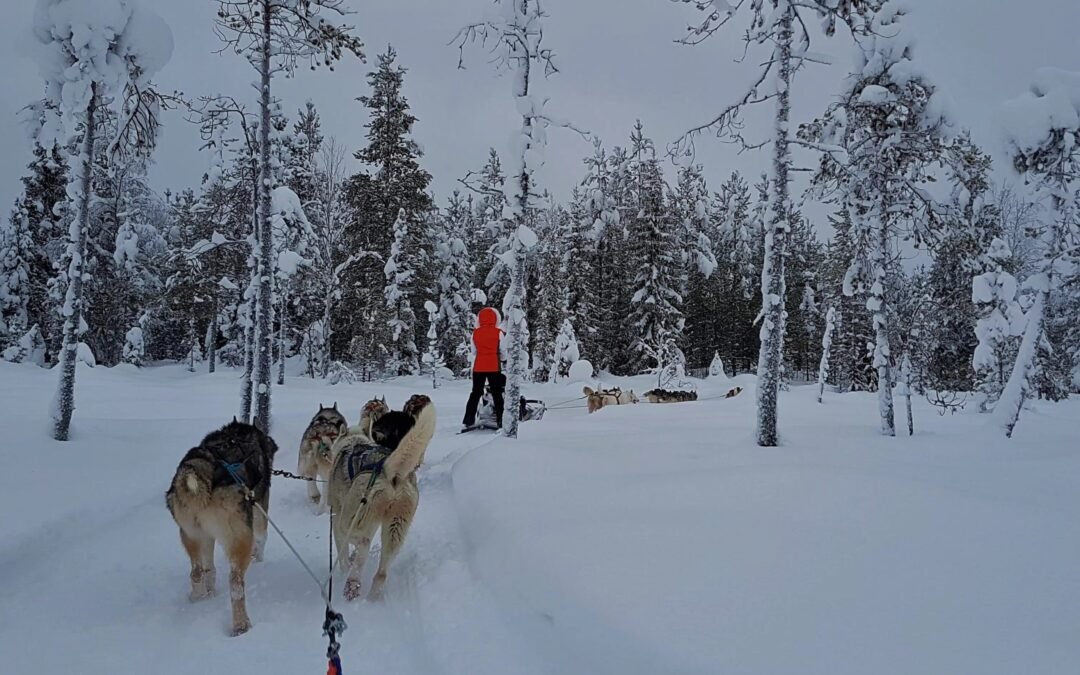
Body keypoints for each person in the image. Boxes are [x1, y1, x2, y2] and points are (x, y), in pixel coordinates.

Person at [462, 306, 507, 430]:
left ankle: (468, 419)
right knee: (497, 393)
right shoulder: (499, 333)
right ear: (495, 318)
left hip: (479, 367)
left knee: (475, 393)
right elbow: (503, 351)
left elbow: (474, 351)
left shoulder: (475, 333)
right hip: (494, 366)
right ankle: (501, 420)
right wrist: (502, 358)